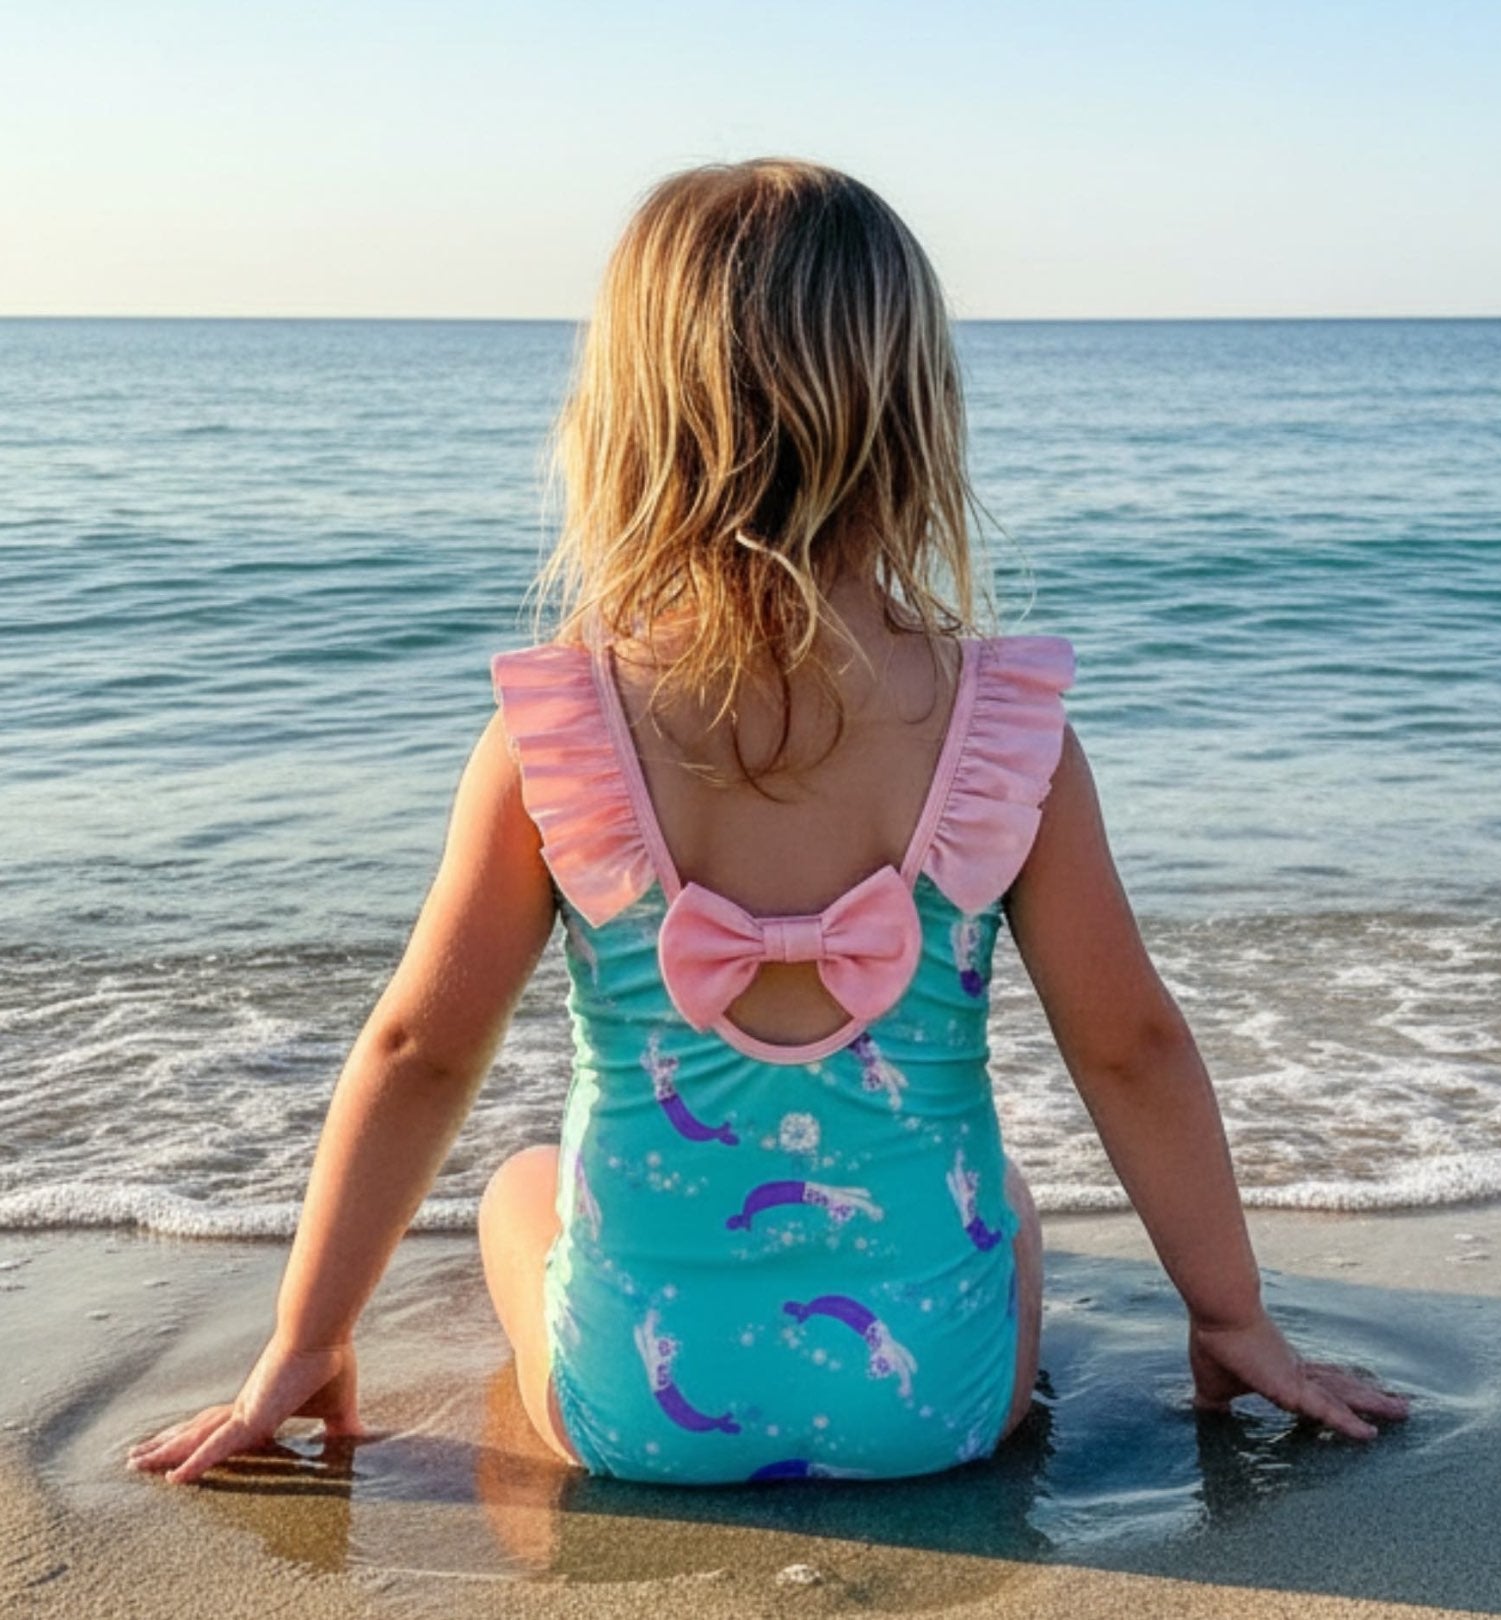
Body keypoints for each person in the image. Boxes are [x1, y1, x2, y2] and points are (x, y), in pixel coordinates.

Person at [128, 157, 1408, 1488]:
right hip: (943, 1407)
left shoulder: (559, 736)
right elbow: (1133, 1046)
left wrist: (306, 1336)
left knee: (518, 1184)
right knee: (1008, 1203)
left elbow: (416, 1051)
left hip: (636, 1410)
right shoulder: (1002, 731)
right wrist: (1231, 1318)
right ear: (918, 414)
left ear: (625, 419)